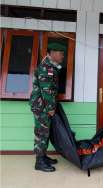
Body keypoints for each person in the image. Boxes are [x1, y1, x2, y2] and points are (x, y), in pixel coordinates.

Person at [29, 43, 65, 172]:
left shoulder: (51, 66)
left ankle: (43, 156)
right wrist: (50, 108)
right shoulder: (46, 68)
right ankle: (39, 162)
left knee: (45, 132)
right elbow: (47, 90)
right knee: (42, 133)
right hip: (42, 106)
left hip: (43, 105)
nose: (63, 56)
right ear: (53, 53)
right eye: (61, 53)